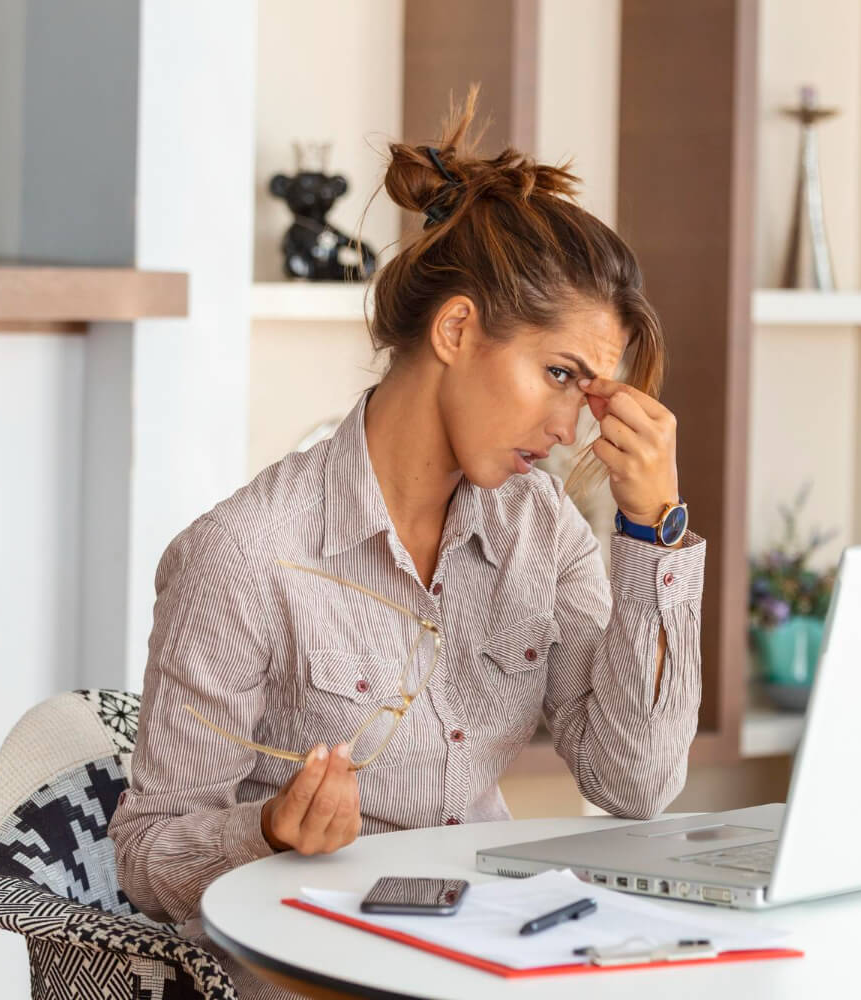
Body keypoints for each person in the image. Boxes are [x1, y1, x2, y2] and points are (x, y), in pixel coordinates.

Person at [107, 88, 705, 998]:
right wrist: (266, 830)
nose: (568, 424)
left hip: (490, 955)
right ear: (458, 329)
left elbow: (635, 783)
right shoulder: (247, 553)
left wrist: (650, 531)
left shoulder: (540, 528)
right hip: (308, 972)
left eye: (586, 392)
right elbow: (147, 852)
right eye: (557, 375)